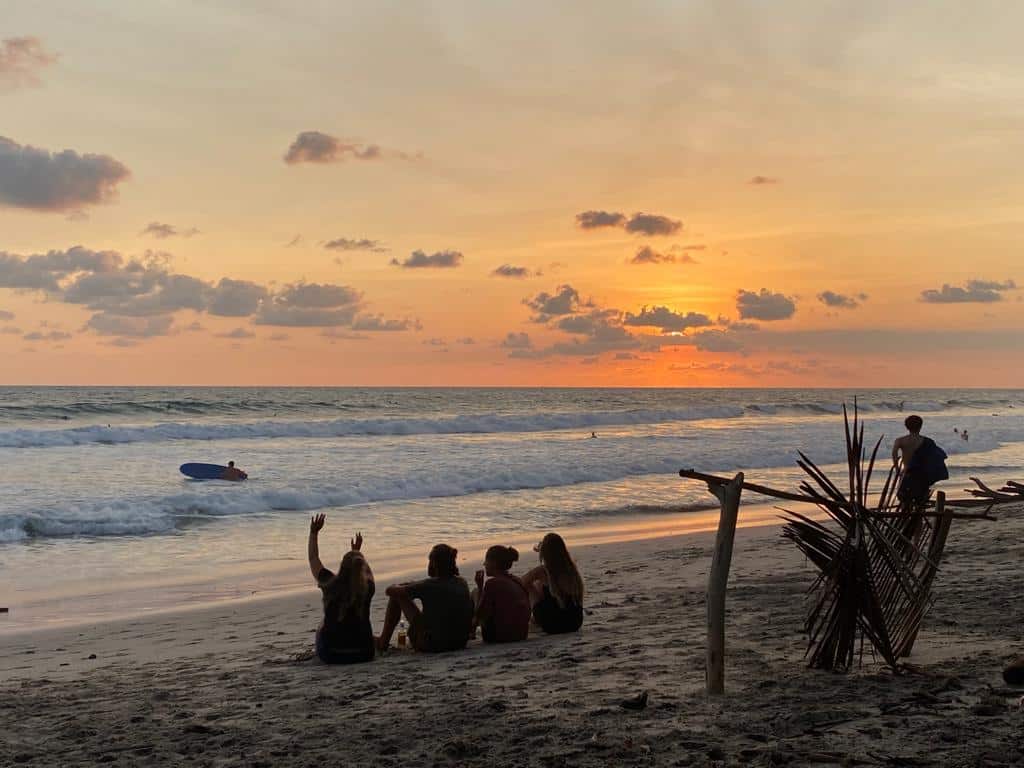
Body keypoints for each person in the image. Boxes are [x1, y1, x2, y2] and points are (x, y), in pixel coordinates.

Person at [376, 543, 473, 653]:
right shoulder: (462, 582)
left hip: (433, 644)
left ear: (434, 564)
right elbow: (428, 585)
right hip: (460, 642)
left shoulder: (429, 586)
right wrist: (413, 585)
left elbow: (389, 591)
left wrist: (400, 586)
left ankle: (383, 641)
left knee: (397, 595)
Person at [307, 514, 375, 664]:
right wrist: (357, 552)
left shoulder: (329, 584)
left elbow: (313, 558)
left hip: (332, 654)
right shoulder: (368, 587)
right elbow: (365, 571)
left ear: (342, 567)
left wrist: (314, 533)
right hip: (364, 653)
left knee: (324, 621)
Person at [521, 533, 584, 634]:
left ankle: (534, 620)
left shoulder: (543, 571)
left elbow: (521, 583)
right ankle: (535, 620)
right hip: (575, 622)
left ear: (544, 552)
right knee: (544, 586)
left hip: (552, 625)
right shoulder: (572, 569)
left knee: (530, 585)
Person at [473, 545, 531, 644]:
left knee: (475, 592)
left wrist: (480, 588)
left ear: (493, 563)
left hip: (500, 636)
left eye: (486, 561)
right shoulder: (517, 580)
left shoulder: (492, 583)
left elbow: (480, 615)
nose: (484, 564)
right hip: (522, 634)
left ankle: (471, 633)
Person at [893, 415, 948, 509]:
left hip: (907, 474)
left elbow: (894, 455)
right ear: (920, 426)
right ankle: (918, 522)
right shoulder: (927, 441)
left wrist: (897, 469)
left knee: (905, 501)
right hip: (922, 475)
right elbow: (937, 457)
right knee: (920, 503)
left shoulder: (900, 441)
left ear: (906, 426)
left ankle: (905, 522)